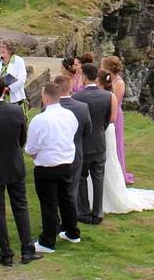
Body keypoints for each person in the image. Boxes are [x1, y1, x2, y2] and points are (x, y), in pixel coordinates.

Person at [0, 75, 41, 267]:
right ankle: (27, 249)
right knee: (20, 206)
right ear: (5, 90)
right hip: (14, 164)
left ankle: (6, 253)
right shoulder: (16, 111)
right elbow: (22, 138)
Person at [24, 83, 79, 254]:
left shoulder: (40, 120)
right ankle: (72, 232)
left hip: (46, 166)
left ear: (45, 98)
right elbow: (72, 135)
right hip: (66, 163)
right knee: (66, 198)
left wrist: (32, 154)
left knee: (49, 204)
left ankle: (48, 242)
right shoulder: (70, 115)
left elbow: (31, 147)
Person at [72, 63, 117, 225]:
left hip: (83, 144)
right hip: (99, 142)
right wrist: (101, 128)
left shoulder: (76, 98)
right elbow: (112, 119)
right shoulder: (108, 96)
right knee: (98, 178)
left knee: (82, 178)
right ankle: (98, 213)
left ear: (83, 76)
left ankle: (83, 212)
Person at [55, 74, 91, 244]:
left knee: (55, 191)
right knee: (71, 189)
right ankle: (69, 224)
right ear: (70, 88)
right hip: (75, 153)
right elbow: (87, 130)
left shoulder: (49, 107)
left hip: (55, 154)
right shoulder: (82, 107)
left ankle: (56, 223)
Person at [102, 56, 135, 185]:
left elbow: (113, 100)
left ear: (108, 68)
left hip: (115, 115)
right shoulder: (109, 79)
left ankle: (120, 172)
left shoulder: (119, 83)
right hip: (106, 113)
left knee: (117, 143)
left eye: (103, 66)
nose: (101, 68)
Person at [0, 39, 27, 105]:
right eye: (0, 47)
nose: (1, 49)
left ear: (10, 49)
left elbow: (22, 79)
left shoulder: (19, 60)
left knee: (14, 114)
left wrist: (9, 88)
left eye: (4, 47)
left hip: (15, 97)